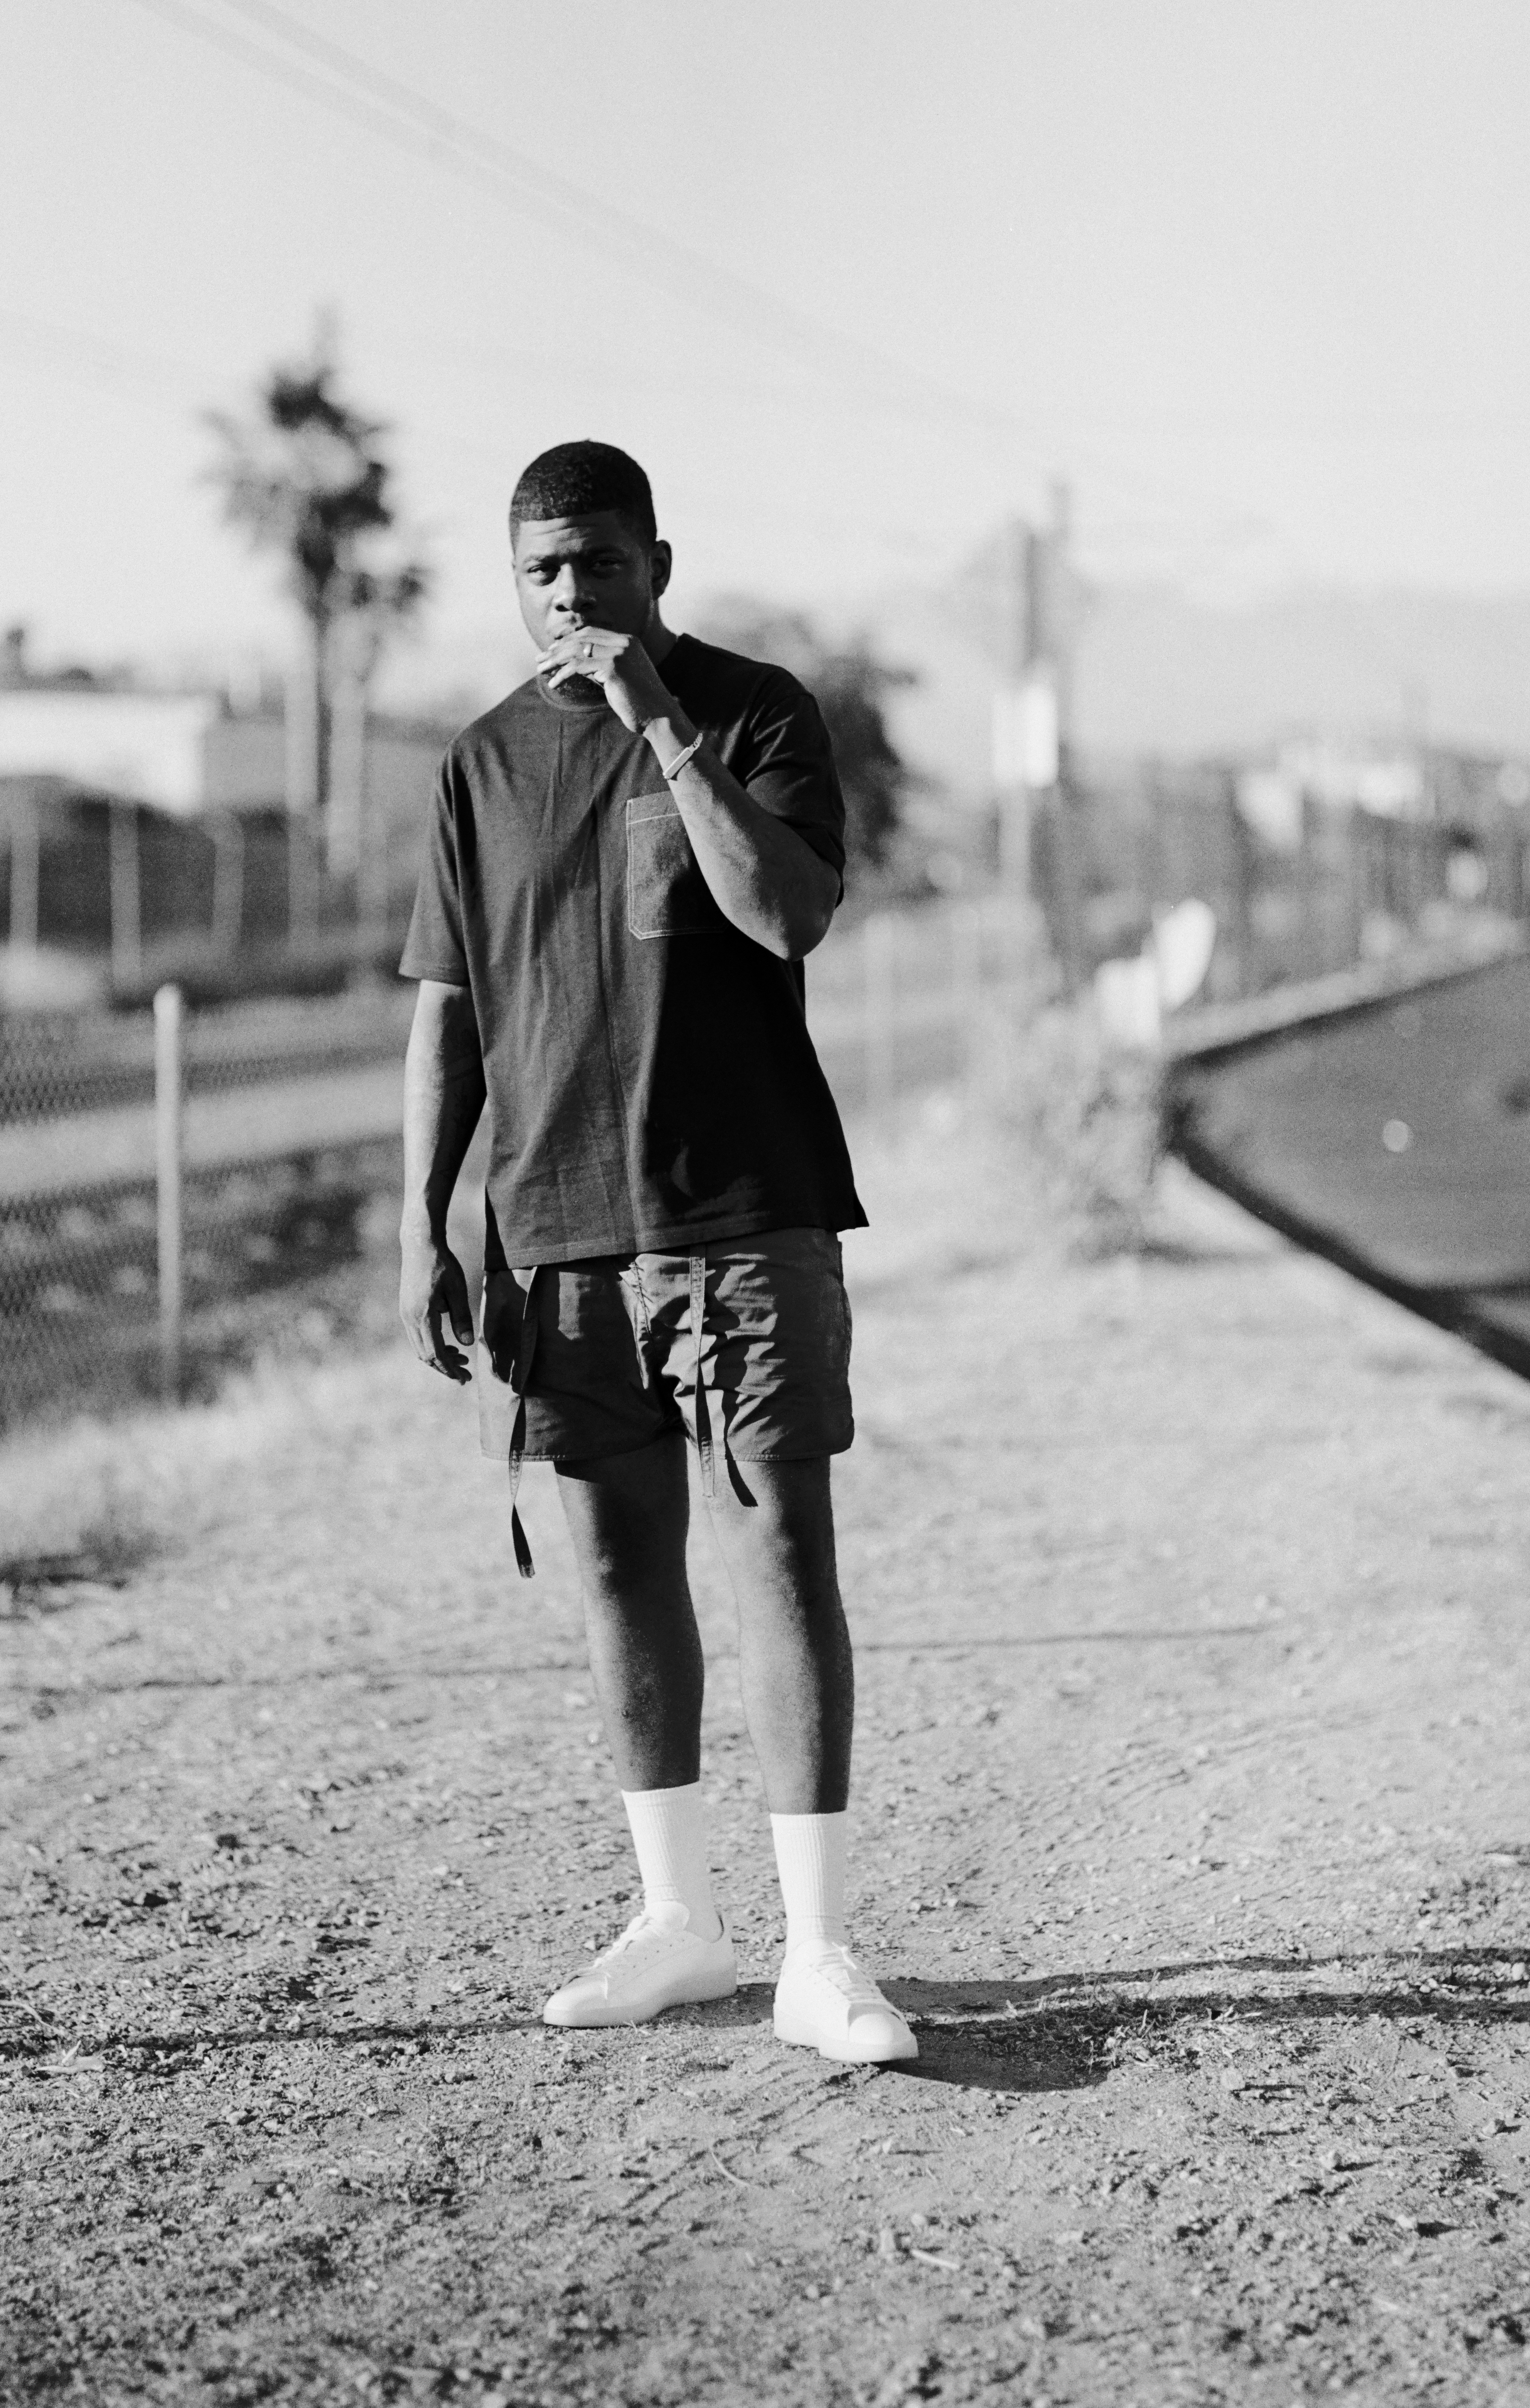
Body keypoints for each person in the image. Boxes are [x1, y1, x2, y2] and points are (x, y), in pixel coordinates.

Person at [396, 440, 914, 2065]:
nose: (573, 599)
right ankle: (679, 1922)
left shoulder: (756, 713)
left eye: (601, 566)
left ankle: (819, 1956)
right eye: (544, 573)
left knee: (778, 1556)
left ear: (660, 565)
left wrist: (662, 730)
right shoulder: (477, 764)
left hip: (741, 1215)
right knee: (619, 1571)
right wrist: (425, 1219)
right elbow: (450, 1008)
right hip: (558, 1237)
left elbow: (787, 915)